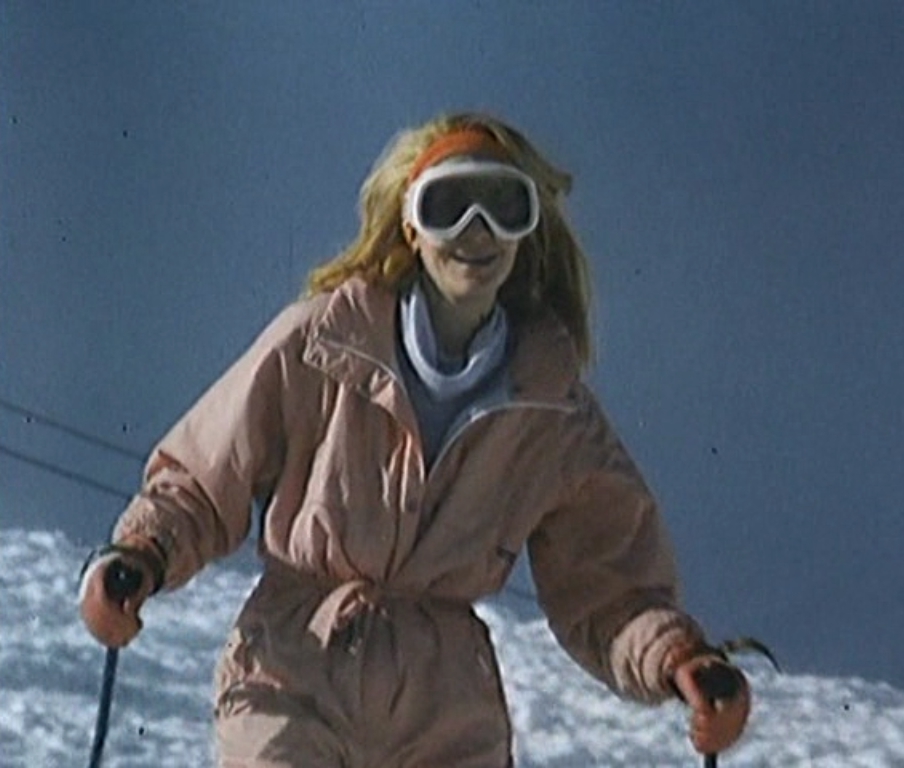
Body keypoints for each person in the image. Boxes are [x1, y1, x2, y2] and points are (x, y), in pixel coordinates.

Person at [79, 111, 751, 767]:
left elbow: (607, 583)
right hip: (296, 669)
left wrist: (676, 659)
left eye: (502, 208)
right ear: (410, 222)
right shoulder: (324, 343)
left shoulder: (551, 409)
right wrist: (142, 553)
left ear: (526, 233)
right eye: (449, 204)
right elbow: (206, 473)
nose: (476, 231)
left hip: (445, 704)